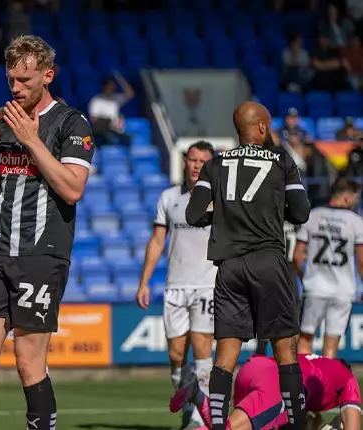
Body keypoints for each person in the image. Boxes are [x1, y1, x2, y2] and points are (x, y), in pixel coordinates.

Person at [0, 35, 95, 430]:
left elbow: (73, 189)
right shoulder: (4, 123)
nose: (15, 88)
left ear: (47, 76)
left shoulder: (72, 123)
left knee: (27, 362)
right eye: (10, 80)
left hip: (40, 257)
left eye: (24, 80)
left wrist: (33, 142)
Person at [185, 101, 311, 430]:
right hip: (269, 261)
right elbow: (300, 213)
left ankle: (216, 425)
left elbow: (193, 215)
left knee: (225, 356)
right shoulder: (283, 160)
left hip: (229, 268)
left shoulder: (215, 164)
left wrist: (223, 214)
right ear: (262, 128)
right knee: (286, 351)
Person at [135, 140, 216, 429]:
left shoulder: (219, 199)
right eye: (192, 160)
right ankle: (188, 402)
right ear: (184, 162)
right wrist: (144, 282)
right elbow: (157, 241)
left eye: (202, 161)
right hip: (175, 287)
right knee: (176, 355)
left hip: (208, 285)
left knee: (202, 347)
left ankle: (199, 416)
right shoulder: (169, 198)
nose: (196, 165)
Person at [170, 353, 361, 430]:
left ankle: (198, 395)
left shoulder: (322, 366)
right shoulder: (349, 381)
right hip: (277, 385)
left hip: (254, 369)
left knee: (228, 425)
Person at [293, 178, 363, 359]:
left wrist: (304, 278)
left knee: (305, 339)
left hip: (316, 287)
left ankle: (304, 384)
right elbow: (362, 261)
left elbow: (297, 255)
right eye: (355, 198)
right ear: (346, 197)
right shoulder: (356, 222)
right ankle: (326, 386)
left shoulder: (313, 216)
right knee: (331, 344)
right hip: (343, 289)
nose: (356, 202)